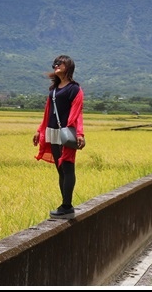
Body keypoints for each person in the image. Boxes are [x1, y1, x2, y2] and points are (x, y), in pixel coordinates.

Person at [33, 55, 85, 219]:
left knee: (68, 167)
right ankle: (64, 206)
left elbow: (78, 114)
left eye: (59, 63)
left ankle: (67, 206)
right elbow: (48, 112)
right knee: (60, 170)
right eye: (54, 63)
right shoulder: (54, 89)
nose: (55, 65)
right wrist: (39, 130)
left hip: (66, 132)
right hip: (53, 131)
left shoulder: (74, 89)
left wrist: (80, 133)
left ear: (68, 66)